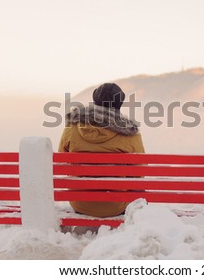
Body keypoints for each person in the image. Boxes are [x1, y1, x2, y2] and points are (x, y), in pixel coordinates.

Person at [58, 83, 145, 218]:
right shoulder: (130, 134)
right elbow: (140, 170)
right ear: (119, 105)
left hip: (80, 203)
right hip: (117, 205)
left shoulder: (72, 127)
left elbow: (61, 161)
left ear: (95, 102)